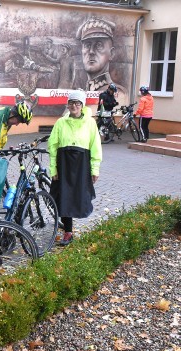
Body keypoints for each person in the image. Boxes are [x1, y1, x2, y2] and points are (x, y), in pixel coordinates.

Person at [48, 89, 102, 246]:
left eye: (77, 103)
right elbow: (53, 147)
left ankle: (68, 228)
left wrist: (95, 169)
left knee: (77, 196)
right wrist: (53, 169)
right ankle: (68, 232)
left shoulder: (90, 123)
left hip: (81, 165)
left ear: (82, 105)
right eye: (71, 103)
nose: (74, 106)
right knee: (63, 197)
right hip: (63, 163)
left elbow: (96, 147)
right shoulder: (60, 123)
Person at [76, 17, 124, 93]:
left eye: (99, 45)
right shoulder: (82, 91)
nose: (91, 51)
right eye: (87, 45)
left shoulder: (117, 93)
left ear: (111, 53)